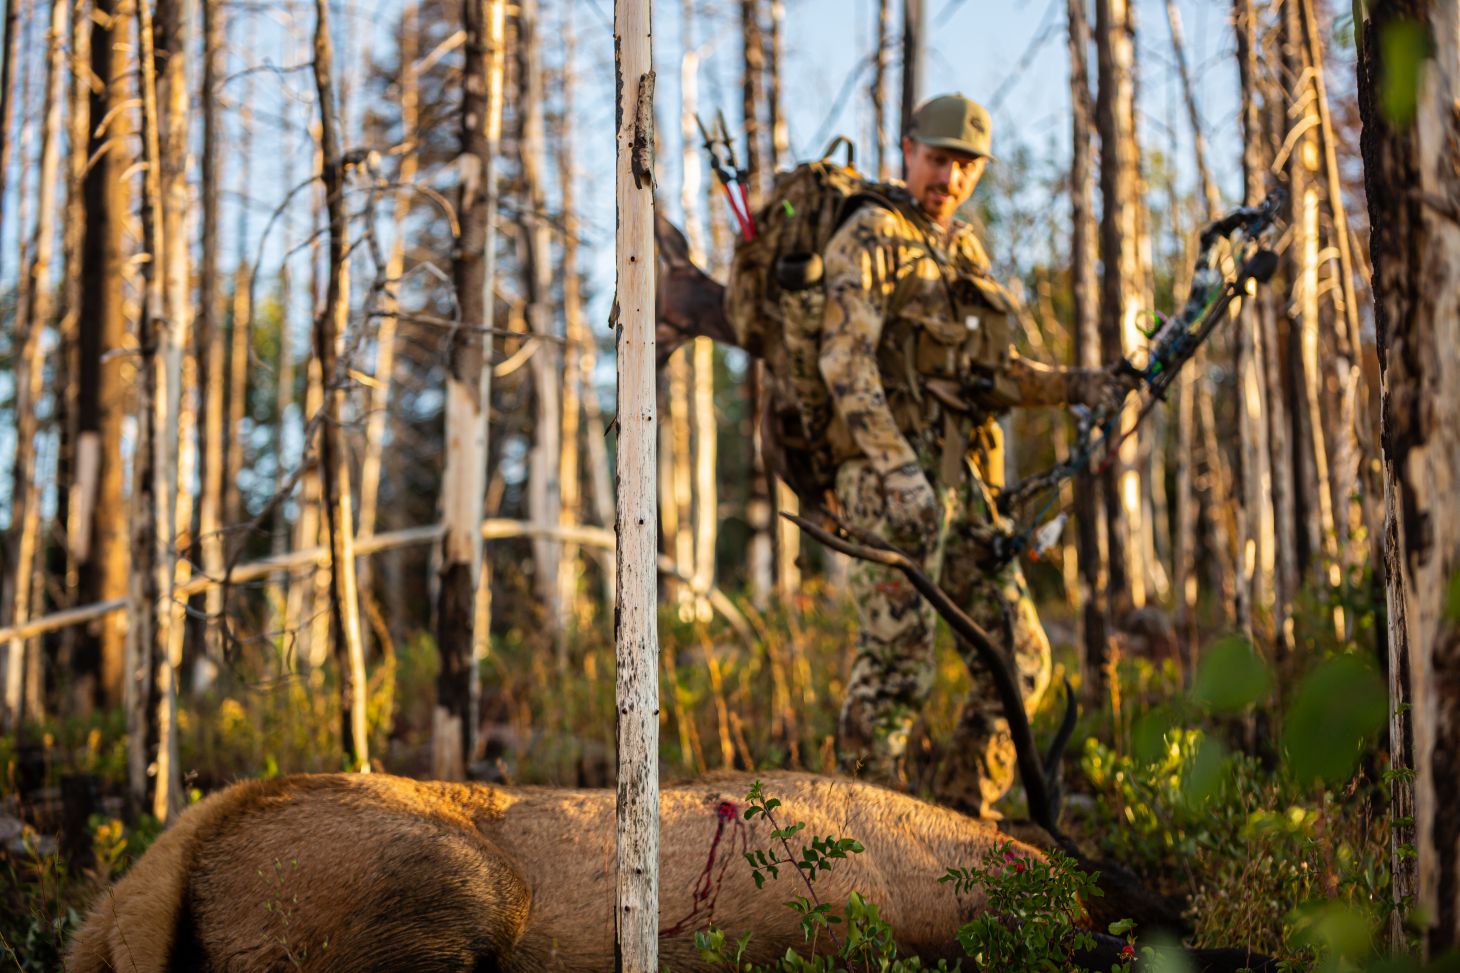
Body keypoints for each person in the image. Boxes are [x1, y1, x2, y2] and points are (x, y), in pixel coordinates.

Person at [818, 93, 1134, 816]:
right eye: (937, 159)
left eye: (965, 166)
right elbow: (844, 362)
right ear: (907, 151)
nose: (950, 178)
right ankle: (857, 854)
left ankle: (958, 828)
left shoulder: (963, 247)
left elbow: (992, 376)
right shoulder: (869, 234)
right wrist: (897, 472)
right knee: (897, 671)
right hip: (885, 484)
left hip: (962, 487)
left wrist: (1080, 386)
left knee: (1021, 660)